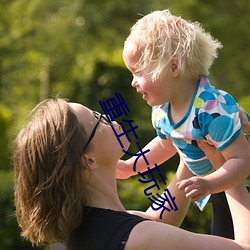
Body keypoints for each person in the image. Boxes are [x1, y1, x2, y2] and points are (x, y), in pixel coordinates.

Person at [13, 98, 250, 250]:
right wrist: (226, 165)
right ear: (88, 160)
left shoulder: (75, 233)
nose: (108, 117)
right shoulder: (138, 238)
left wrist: (190, 138)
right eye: (98, 120)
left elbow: (157, 220)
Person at [120, 9, 250, 239]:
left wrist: (209, 184)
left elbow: (242, 160)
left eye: (138, 72)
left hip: (239, 186)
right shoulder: (162, 110)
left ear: (173, 67)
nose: (133, 82)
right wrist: (131, 166)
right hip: (220, 189)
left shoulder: (210, 109)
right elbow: (166, 145)